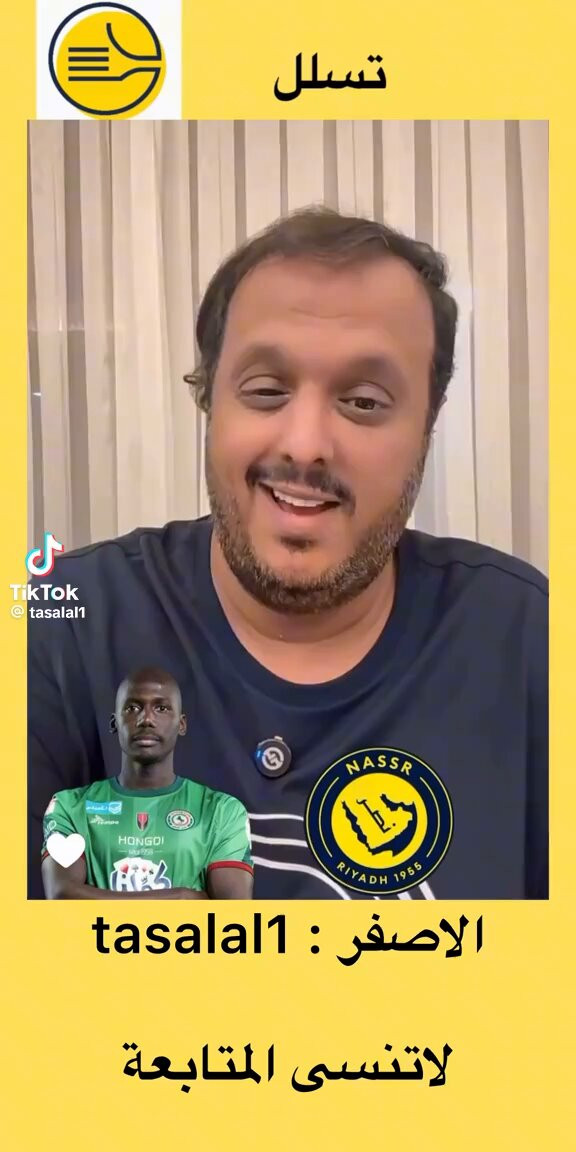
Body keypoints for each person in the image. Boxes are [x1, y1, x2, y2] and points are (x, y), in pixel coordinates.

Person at [28, 206, 548, 901]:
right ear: (210, 402)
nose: (305, 444)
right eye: (267, 391)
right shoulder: (61, 627)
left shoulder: (527, 641)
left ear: (427, 425)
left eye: (364, 402)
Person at [41, 667, 253, 899]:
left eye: (161, 708)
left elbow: (233, 913)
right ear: (114, 723)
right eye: (133, 708)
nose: (147, 720)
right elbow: (61, 896)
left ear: (181, 724)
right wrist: (180, 898)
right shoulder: (70, 807)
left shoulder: (222, 811)